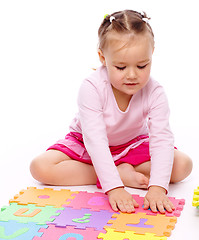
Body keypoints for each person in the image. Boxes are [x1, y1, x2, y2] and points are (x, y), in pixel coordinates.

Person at [30, 10, 192, 213]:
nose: (132, 75)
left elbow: (161, 138)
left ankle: (115, 169)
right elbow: (95, 140)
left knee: (183, 165)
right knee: (40, 167)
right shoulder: (92, 87)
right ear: (102, 58)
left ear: (152, 54)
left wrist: (158, 188)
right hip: (87, 143)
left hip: (131, 144)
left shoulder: (155, 91)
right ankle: (116, 172)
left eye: (142, 65)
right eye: (121, 67)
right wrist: (114, 186)